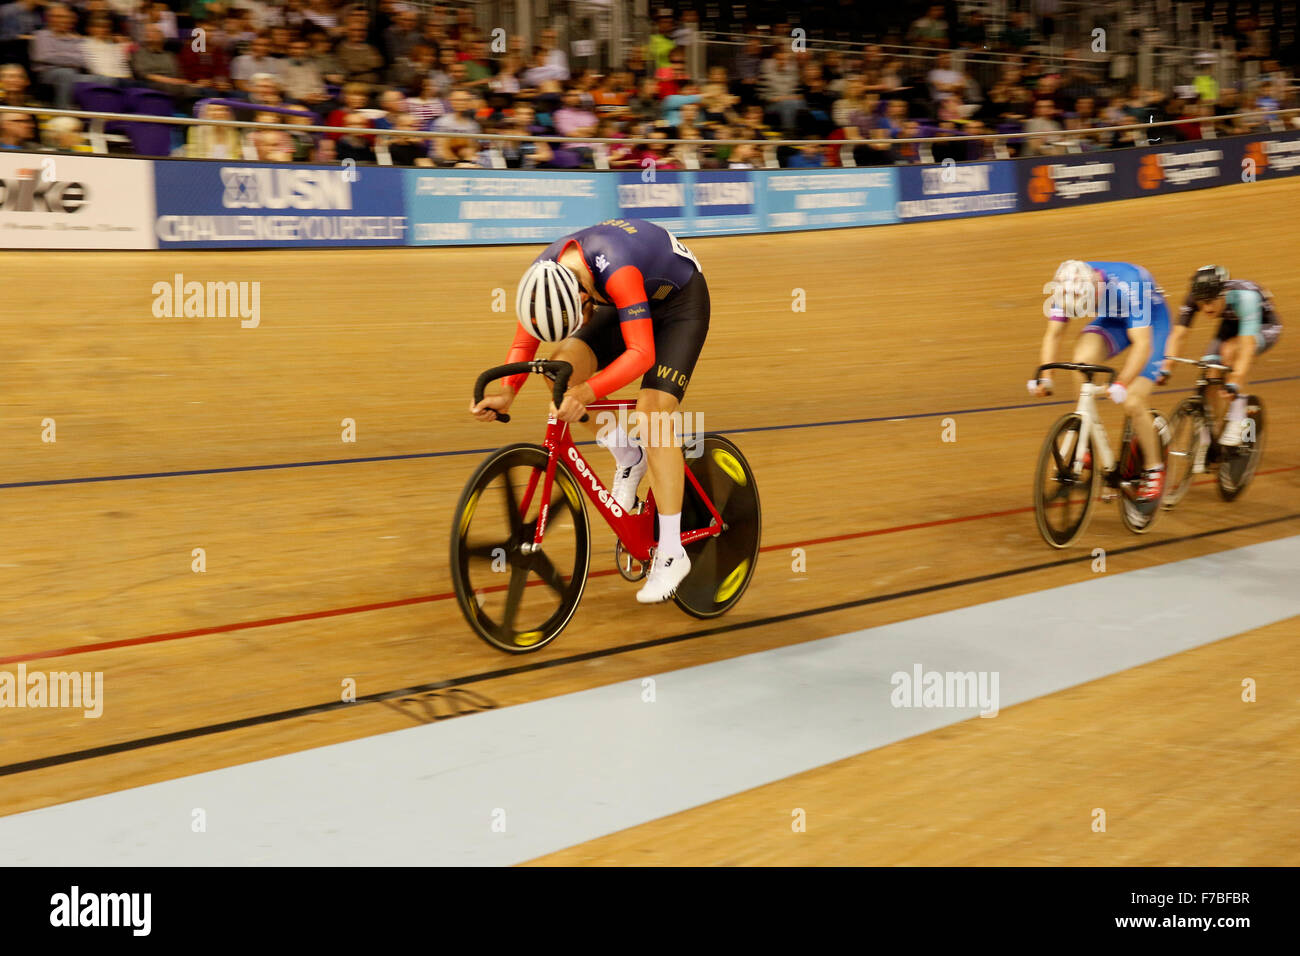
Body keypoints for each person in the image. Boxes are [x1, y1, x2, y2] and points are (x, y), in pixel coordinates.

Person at [469, 219, 710, 603]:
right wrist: (506, 393)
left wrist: (588, 391)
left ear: (583, 297)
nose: (577, 326)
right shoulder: (546, 277)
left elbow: (642, 354)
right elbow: (525, 342)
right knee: (558, 371)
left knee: (653, 414)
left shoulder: (618, 269)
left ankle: (671, 552)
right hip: (623, 302)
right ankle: (628, 454)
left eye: (576, 319)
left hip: (679, 304)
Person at [1030, 260, 1171, 508]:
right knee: (1081, 362)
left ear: (1094, 289)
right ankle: (1085, 433)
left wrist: (1122, 383)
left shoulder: (1129, 284)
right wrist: (1046, 377)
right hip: (1112, 318)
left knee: (1132, 400)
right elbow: (1054, 334)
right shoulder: (1066, 284)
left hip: (1151, 324)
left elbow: (1142, 345)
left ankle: (1154, 468)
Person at [1161, 266, 1283, 453]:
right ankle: (1211, 434)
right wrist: (1167, 366)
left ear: (1223, 294)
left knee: (1231, 350)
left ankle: (1238, 415)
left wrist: (1236, 379)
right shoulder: (1195, 296)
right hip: (1231, 322)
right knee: (1211, 370)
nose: (1206, 308)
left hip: (1264, 325)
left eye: (1211, 301)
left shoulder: (1245, 298)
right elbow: (1179, 334)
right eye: (1202, 303)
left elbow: (1247, 345)